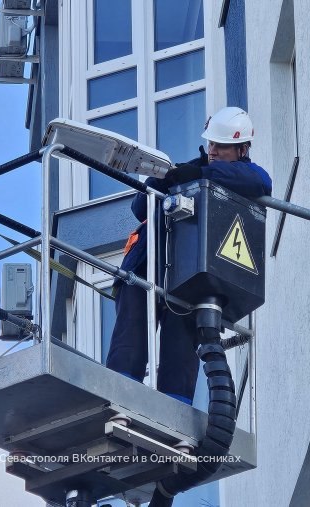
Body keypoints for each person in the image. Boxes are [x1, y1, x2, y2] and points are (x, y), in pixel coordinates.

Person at [105, 107, 272, 405]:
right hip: (146, 263)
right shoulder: (188, 169)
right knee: (131, 335)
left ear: (242, 149)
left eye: (221, 146)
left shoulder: (240, 175)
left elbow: (261, 182)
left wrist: (201, 175)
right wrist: (160, 179)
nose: (213, 151)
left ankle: (173, 411)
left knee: (180, 346)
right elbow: (140, 209)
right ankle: (118, 399)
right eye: (211, 143)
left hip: (189, 273)